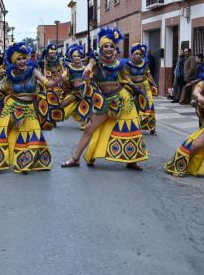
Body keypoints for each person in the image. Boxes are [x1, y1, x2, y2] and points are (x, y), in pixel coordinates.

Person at [61, 27, 148, 171]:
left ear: (115, 49)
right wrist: (87, 73)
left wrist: (137, 89)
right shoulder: (96, 62)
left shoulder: (119, 64)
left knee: (132, 128)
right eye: (105, 46)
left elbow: (126, 78)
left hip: (123, 99)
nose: (108, 49)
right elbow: (88, 67)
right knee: (89, 129)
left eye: (111, 46)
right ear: (101, 48)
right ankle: (75, 159)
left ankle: (132, 161)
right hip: (105, 101)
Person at [0, 41, 63, 173]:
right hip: (11, 106)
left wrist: (57, 81)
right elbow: (1, 90)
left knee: (35, 132)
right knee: (2, 131)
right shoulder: (10, 75)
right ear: (13, 61)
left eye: (24, 58)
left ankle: (26, 161)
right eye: (19, 59)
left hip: (28, 108)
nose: (22, 61)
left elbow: (46, 83)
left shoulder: (33, 71)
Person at [122, 43, 158, 135]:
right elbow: (126, 76)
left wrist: (154, 84)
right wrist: (132, 85)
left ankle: (152, 127)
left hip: (145, 86)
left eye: (140, 54)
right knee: (135, 106)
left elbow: (148, 75)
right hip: (132, 87)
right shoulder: (127, 64)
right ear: (132, 54)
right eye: (136, 54)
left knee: (150, 105)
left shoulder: (145, 63)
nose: (138, 56)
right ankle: (135, 125)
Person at [60, 44, 92, 128]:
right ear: (71, 57)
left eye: (78, 56)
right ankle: (54, 117)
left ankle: (86, 121)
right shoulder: (69, 67)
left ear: (81, 57)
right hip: (73, 91)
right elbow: (64, 75)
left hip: (83, 91)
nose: (76, 57)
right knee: (64, 105)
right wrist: (61, 77)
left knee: (86, 105)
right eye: (74, 56)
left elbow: (90, 77)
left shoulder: (85, 67)